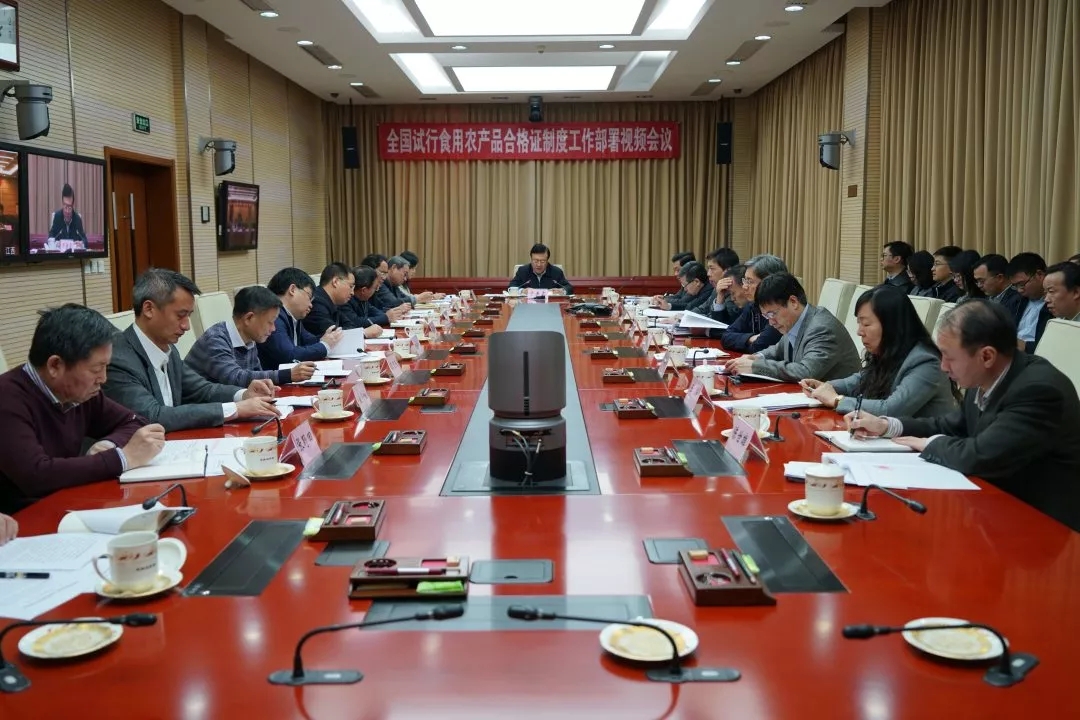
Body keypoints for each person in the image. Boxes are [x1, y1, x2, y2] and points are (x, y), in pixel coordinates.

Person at [848, 300, 1080, 531]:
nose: (943, 367)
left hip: (1043, 527)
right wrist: (886, 425)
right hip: (990, 509)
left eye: (949, 357)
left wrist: (930, 444)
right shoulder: (984, 376)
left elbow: (981, 455)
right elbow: (949, 425)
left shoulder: (1038, 390)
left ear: (986, 356)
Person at [0, 304, 165, 513]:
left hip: (69, 503)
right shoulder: (7, 398)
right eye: (96, 369)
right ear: (55, 366)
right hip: (23, 520)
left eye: (106, 367)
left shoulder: (80, 392)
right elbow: (36, 475)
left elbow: (134, 421)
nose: (103, 378)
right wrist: (122, 459)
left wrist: (108, 444)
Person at [104, 269, 279, 432]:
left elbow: (203, 389)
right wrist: (235, 409)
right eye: (180, 315)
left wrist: (243, 395)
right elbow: (153, 416)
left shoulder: (168, 349)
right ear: (149, 309)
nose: (186, 326)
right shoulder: (118, 358)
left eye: (189, 315)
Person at [800, 286, 955, 418]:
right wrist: (825, 386)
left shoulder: (926, 362)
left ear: (892, 325)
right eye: (859, 323)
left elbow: (891, 410)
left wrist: (837, 400)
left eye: (866, 324)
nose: (859, 332)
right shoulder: (889, 351)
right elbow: (859, 381)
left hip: (921, 443)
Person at [725, 273, 861, 382]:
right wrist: (755, 358)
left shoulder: (822, 328)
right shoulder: (795, 321)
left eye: (772, 314)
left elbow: (806, 371)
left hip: (839, 403)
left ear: (793, 302)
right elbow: (778, 350)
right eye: (766, 316)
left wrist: (755, 366)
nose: (771, 322)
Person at [186, 286, 316, 387]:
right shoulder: (216, 339)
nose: (273, 329)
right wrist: (288, 375)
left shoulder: (250, 339)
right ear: (249, 318)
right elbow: (235, 378)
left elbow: (257, 374)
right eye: (270, 322)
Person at [257, 267, 344, 370]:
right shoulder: (274, 317)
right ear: (292, 290)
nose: (311, 305)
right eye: (309, 297)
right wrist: (324, 346)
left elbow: (308, 340)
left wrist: (327, 338)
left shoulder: (292, 316)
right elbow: (289, 355)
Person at [721, 254, 787, 353]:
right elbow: (726, 336)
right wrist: (750, 338)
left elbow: (761, 346)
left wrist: (749, 341)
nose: (744, 287)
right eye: (745, 281)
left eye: (750, 281)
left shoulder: (780, 308)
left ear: (769, 281)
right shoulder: (752, 305)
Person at [1007, 252, 1051, 353]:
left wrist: (1025, 346)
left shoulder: (1055, 304)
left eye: (1022, 284)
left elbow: (1053, 346)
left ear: (1039, 275)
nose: (1019, 290)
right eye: (1015, 286)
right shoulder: (1016, 301)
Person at [340, 265, 404, 333]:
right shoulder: (345, 300)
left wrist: (391, 314)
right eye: (375, 288)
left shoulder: (363, 298)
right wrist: (386, 317)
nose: (377, 290)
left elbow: (374, 311)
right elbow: (356, 322)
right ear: (364, 290)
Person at [303, 262, 354, 336]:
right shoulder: (316, 303)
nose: (352, 293)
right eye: (351, 286)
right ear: (335, 282)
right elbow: (333, 334)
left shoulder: (333, 302)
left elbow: (350, 326)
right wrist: (364, 333)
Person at [973, 254, 1025, 322]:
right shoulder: (988, 297)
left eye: (981, 281)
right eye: (977, 281)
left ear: (999, 278)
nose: (979, 285)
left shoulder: (1017, 300)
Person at [508, 243, 573, 293]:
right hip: (528, 305)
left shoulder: (556, 272)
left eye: (542, 261)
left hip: (550, 305)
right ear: (531, 259)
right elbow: (511, 287)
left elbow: (569, 288)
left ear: (547, 260)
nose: (539, 265)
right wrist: (522, 291)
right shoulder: (523, 271)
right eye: (536, 261)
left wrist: (562, 291)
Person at [47, 183, 88, 247]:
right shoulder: (57, 216)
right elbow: (50, 236)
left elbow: (85, 240)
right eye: (65, 206)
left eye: (69, 207)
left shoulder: (77, 219)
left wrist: (82, 243)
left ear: (73, 205)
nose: (67, 211)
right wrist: (56, 243)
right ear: (62, 203)